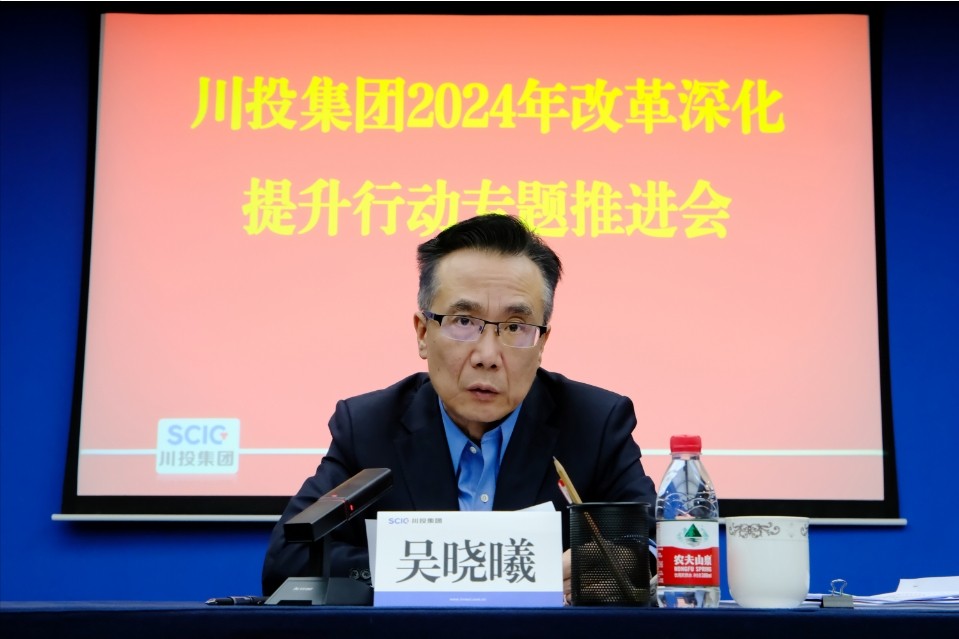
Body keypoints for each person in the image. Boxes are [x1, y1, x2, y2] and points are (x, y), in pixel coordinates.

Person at [261, 213, 657, 598]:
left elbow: (651, 549)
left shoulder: (595, 423)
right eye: (464, 322)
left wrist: (609, 567)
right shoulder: (369, 427)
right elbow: (289, 559)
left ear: (541, 344)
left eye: (515, 327)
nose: (487, 356)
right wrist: (435, 569)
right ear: (422, 333)